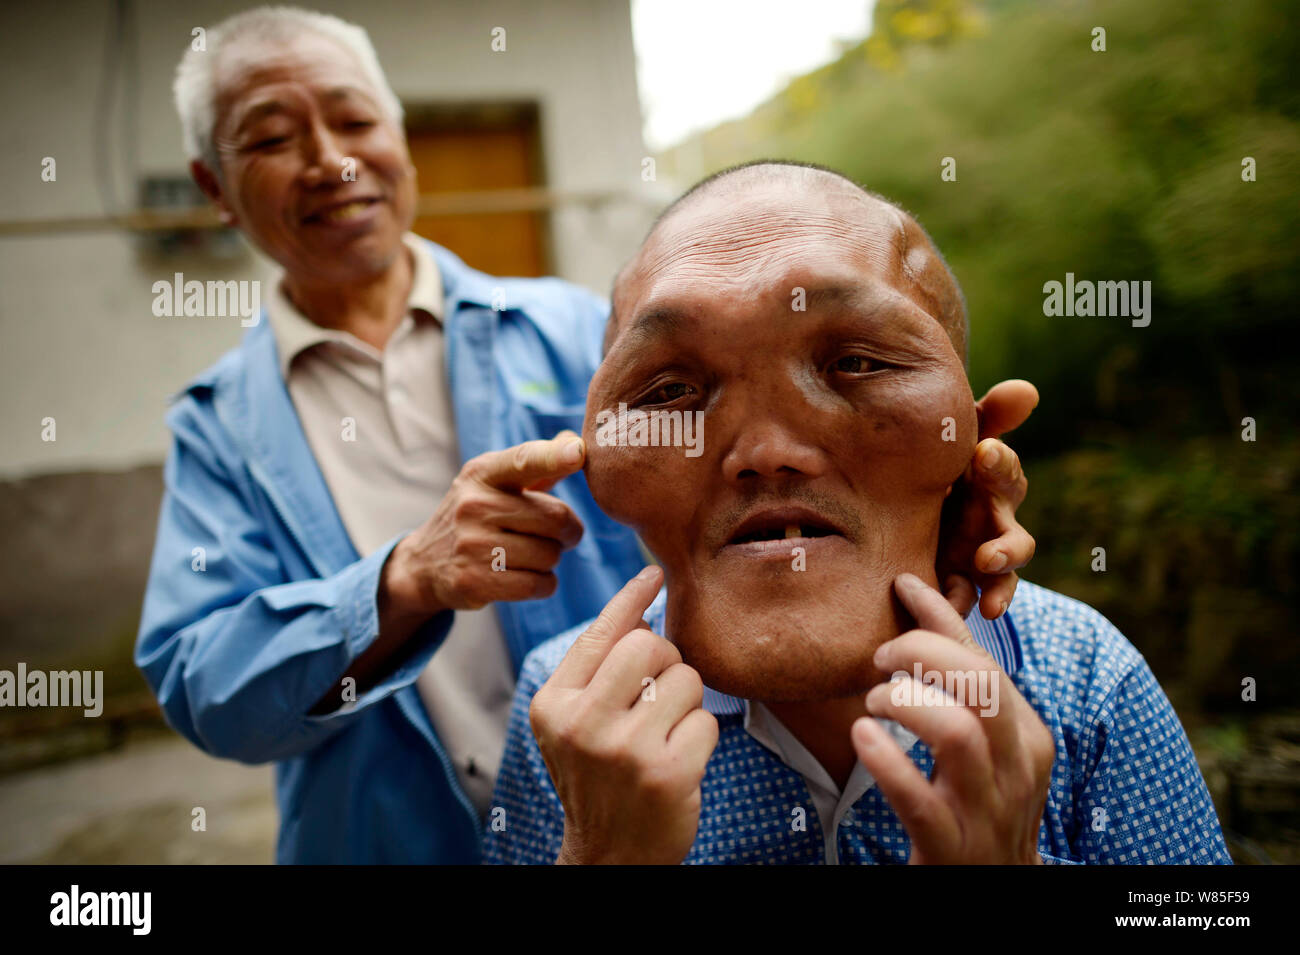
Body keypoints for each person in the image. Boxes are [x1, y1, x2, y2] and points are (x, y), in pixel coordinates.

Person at [136, 6, 1035, 863]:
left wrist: (927, 514)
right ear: (214, 187)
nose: (330, 162)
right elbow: (206, 689)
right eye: (270, 138)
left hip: (683, 808)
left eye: (354, 120)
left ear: (399, 138)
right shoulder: (218, 427)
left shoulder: (579, 335)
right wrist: (407, 580)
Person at [483, 161, 1232, 865]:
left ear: (975, 436)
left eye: (858, 364)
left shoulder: (1081, 678)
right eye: (672, 390)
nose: (769, 450)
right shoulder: (573, 717)